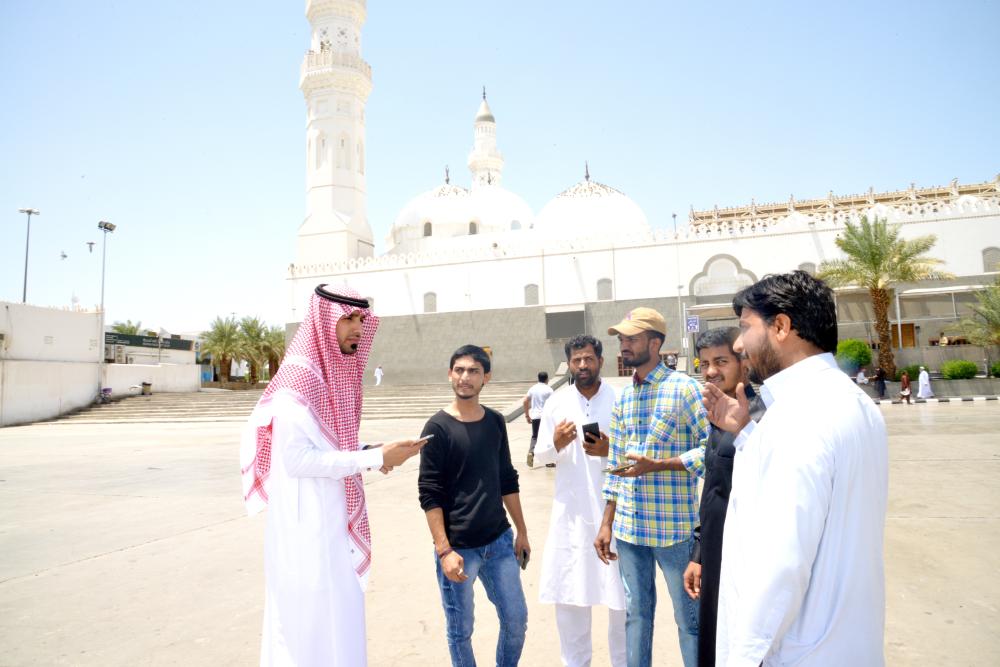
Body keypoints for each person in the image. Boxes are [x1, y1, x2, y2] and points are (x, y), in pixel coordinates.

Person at [702, 271, 888, 665]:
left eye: (745, 328)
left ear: (782, 326)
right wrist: (748, 434)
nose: (739, 344)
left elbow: (780, 566)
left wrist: (742, 659)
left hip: (797, 652)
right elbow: (808, 492)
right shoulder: (850, 403)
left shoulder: (799, 417)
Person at [240, 284, 426, 666]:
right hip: (303, 529)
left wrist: (376, 453)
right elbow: (298, 461)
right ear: (324, 321)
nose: (358, 327)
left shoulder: (335, 375)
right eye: (348, 318)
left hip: (333, 525)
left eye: (361, 318)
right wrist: (371, 458)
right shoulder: (297, 381)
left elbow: (329, 448)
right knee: (306, 629)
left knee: (340, 622)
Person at [594, 307, 708, 667]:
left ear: (655, 343)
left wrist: (660, 465)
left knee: (689, 622)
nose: (624, 345)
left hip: (674, 532)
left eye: (632, 338)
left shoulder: (686, 390)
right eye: (622, 339)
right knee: (637, 618)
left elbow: (713, 452)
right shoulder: (625, 397)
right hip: (630, 531)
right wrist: (607, 522)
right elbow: (615, 464)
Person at [418, 345, 530, 667]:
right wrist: (444, 551)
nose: (465, 377)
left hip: (499, 543)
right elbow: (429, 493)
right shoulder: (436, 428)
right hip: (458, 550)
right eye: (459, 370)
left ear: (486, 378)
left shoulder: (495, 422)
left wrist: (521, 531)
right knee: (460, 631)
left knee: (516, 621)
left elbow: (507, 479)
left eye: (473, 371)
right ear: (450, 374)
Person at [535, 335, 627, 667]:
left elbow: (635, 458)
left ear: (601, 360)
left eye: (588, 359)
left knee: (622, 604)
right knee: (572, 598)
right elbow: (539, 456)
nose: (583, 365)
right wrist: (556, 443)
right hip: (571, 517)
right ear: (569, 364)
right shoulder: (556, 402)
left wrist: (609, 449)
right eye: (577, 360)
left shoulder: (620, 399)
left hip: (615, 514)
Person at [680, 327, 767, 667]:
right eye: (703, 364)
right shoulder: (717, 416)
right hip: (715, 553)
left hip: (745, 556)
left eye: (720, 361)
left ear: (743, 363)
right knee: (715, 641)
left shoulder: (759, 415)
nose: (711, 371)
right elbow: (712, 491)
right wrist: (699, 553)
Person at [524, 371, 554, 467]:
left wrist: (527, 415)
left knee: (535, 436)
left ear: (538, 378)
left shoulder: (533, 388)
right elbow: (554, 404)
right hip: (545, 417)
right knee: (547, 437)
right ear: (547, 379)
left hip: (535, 417)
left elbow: (525, 401)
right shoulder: (549, 390)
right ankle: (548, 461)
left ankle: (531, 452)